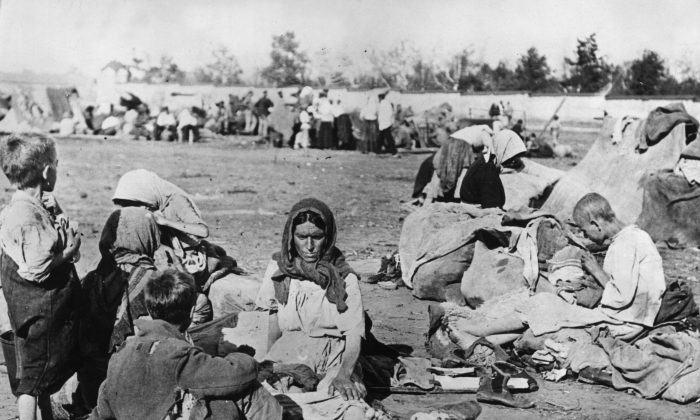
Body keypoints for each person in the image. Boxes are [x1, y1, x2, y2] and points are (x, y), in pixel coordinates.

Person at [90, 269, 283, 420]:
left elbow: (103, 406)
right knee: (245, 391)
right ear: (192, 312)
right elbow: (237, 375)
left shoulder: (123, 352)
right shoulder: (178, 354)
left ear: (150, 309)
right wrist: (241, 355)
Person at [255, 198, 369, 416]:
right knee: (262, 394)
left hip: (333, 355)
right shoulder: (278, 270)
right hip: (287, 352)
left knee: (348, 405)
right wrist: (267, 362)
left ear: (328, 236)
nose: (309, 246)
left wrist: (344, 374)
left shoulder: (344, 278)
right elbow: (273, 323)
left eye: (317, 237)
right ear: (291, 236)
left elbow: (353, 336)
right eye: (301, 237)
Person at [0, 133, 82, 420]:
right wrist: (68, 252)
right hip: (41, 312)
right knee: (32, 381)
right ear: (47, 171)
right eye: (56, 164)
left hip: (29, 311)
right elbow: (37, 267)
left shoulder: (22, 209)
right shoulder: (27, 218)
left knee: (40, 373)